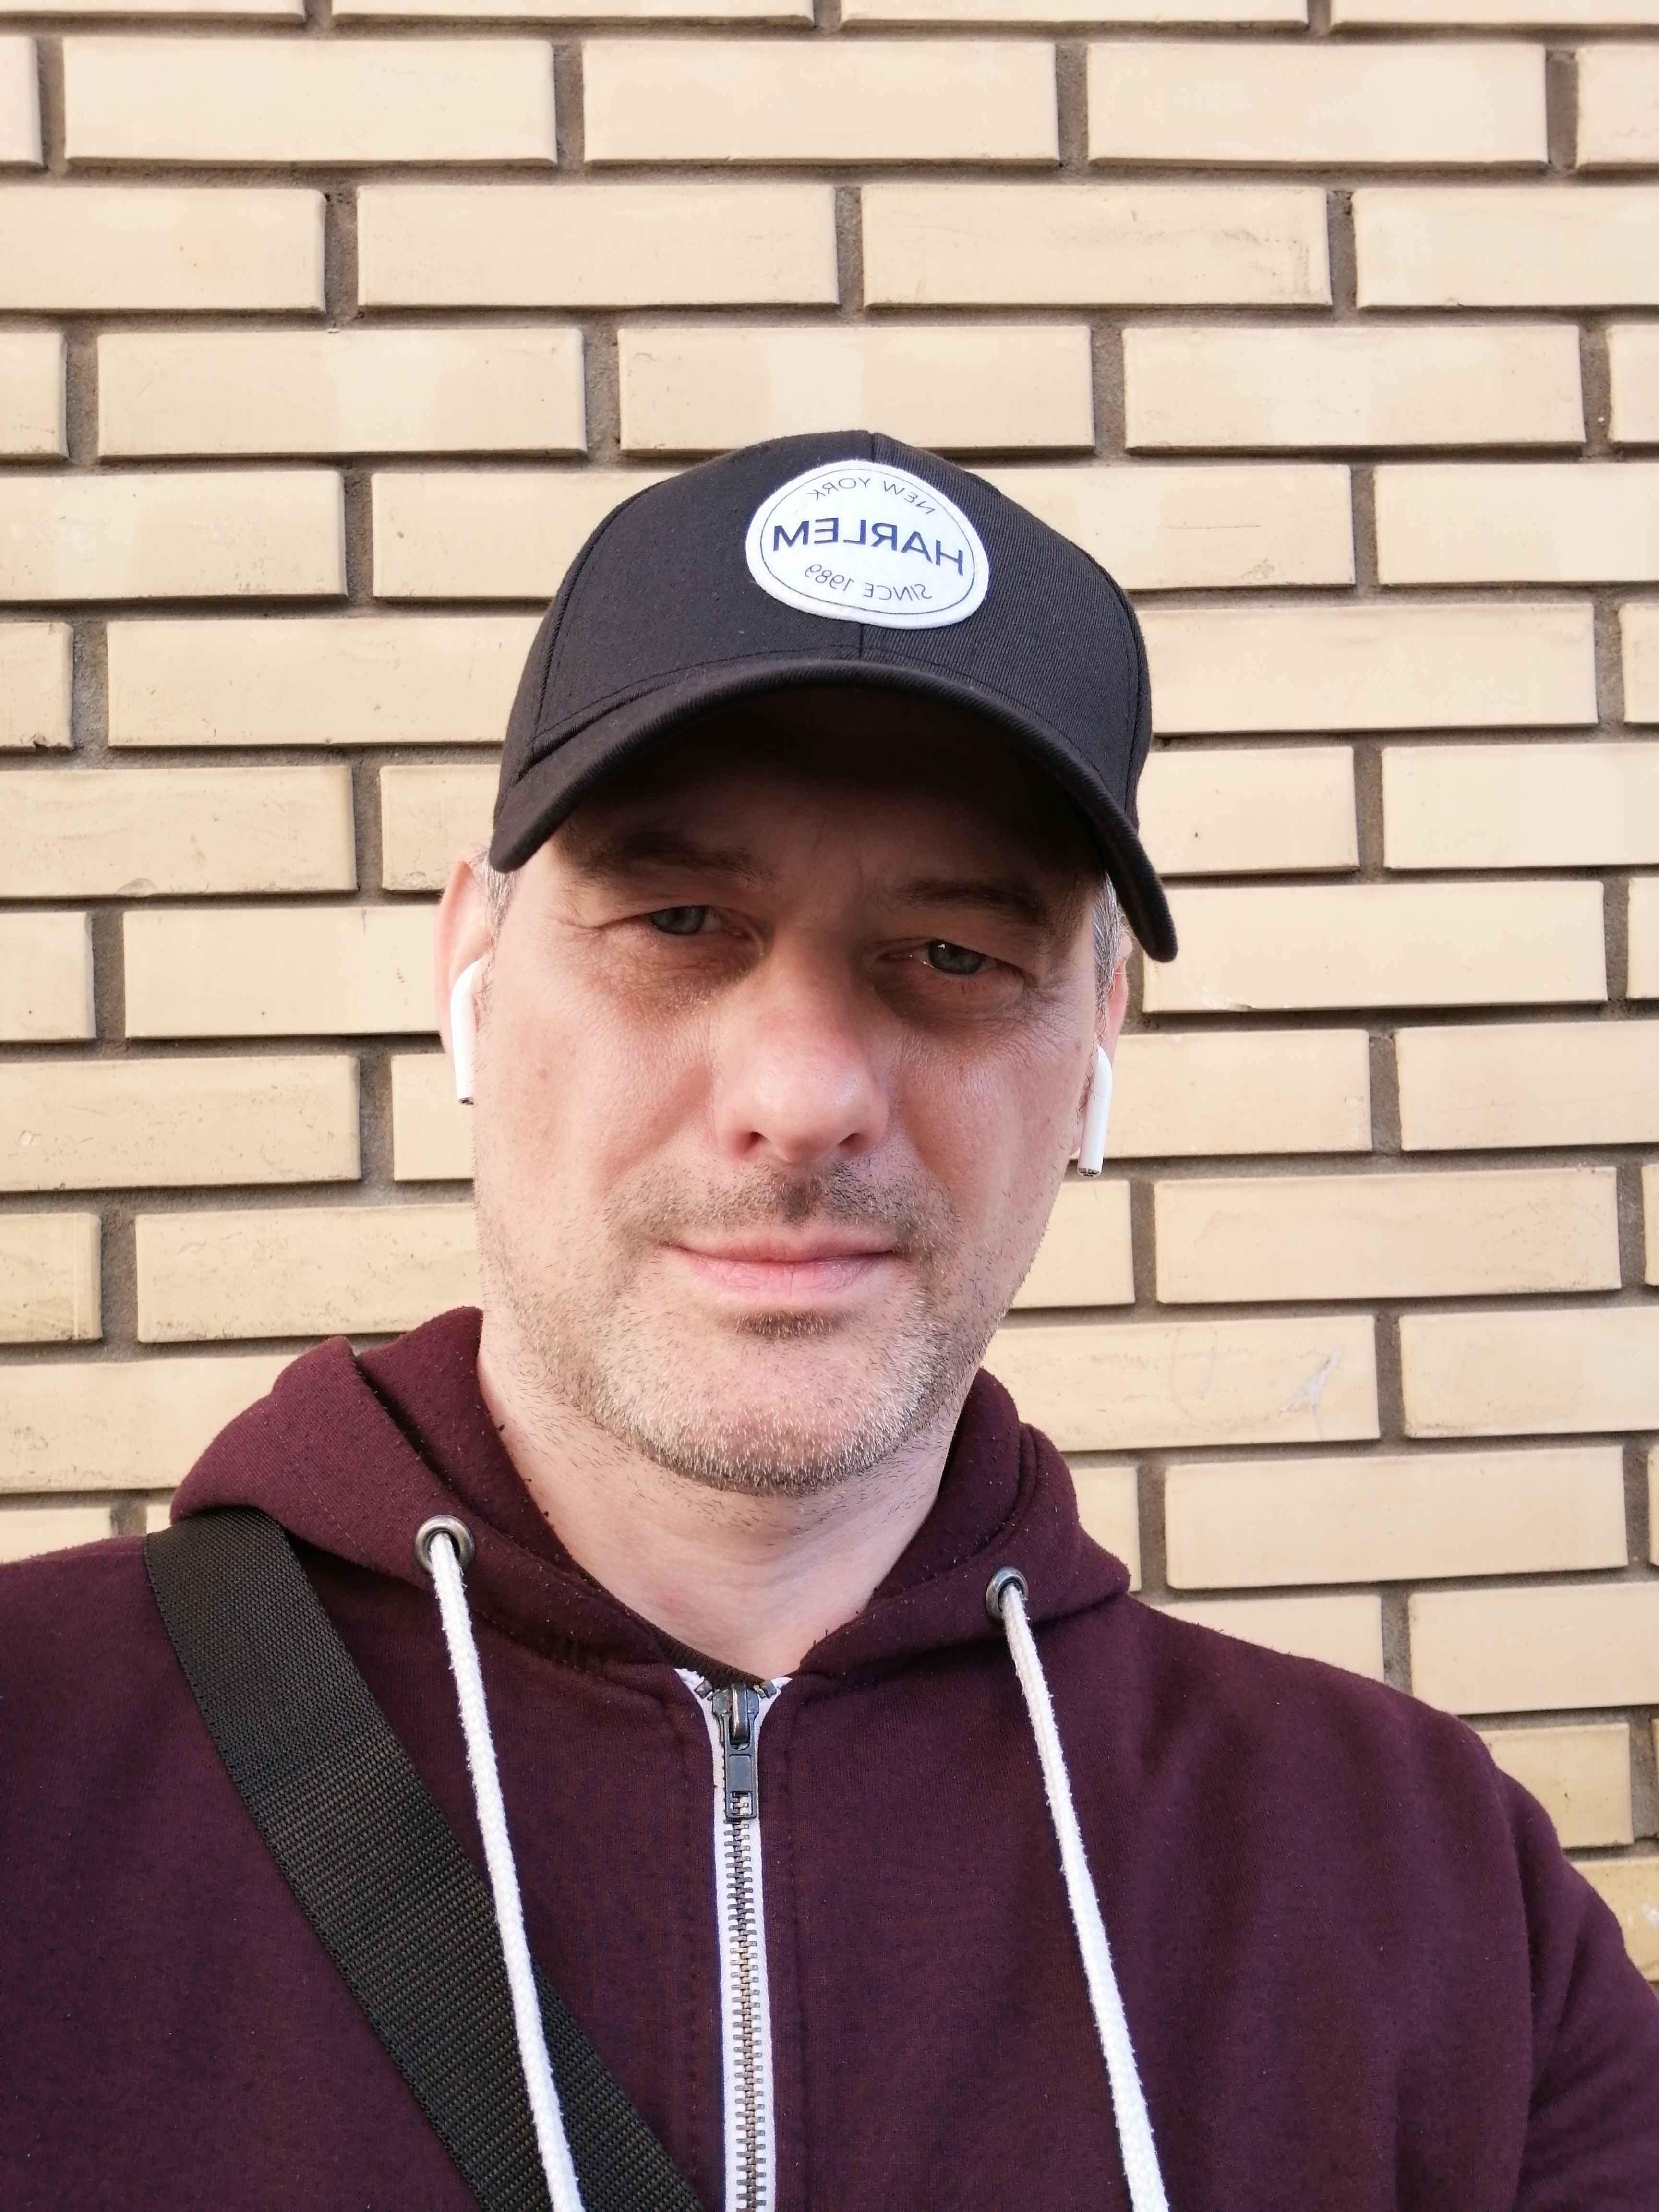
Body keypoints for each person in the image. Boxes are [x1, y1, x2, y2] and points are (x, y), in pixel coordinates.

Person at [1, 432, 1655, 2211]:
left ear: (1100, 1037)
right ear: (469, 969)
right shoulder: (37, 1763)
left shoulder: (1430, 1891)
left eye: (953, 956)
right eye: (678, 919)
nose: (803, 1096)